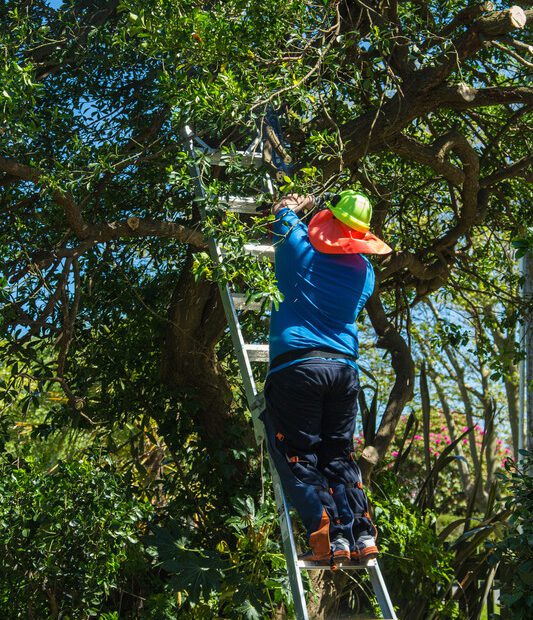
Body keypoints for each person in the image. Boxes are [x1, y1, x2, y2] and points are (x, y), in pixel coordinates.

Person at [262, 190, 393, 567]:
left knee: (299, 454)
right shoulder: (365, 273)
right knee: (338, 455)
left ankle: (326, 539)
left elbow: (282, 211)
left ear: (330, 221)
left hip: (299, 367)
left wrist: (298, 202)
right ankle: (361, 533)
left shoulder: (298, 253)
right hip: (343, 371)